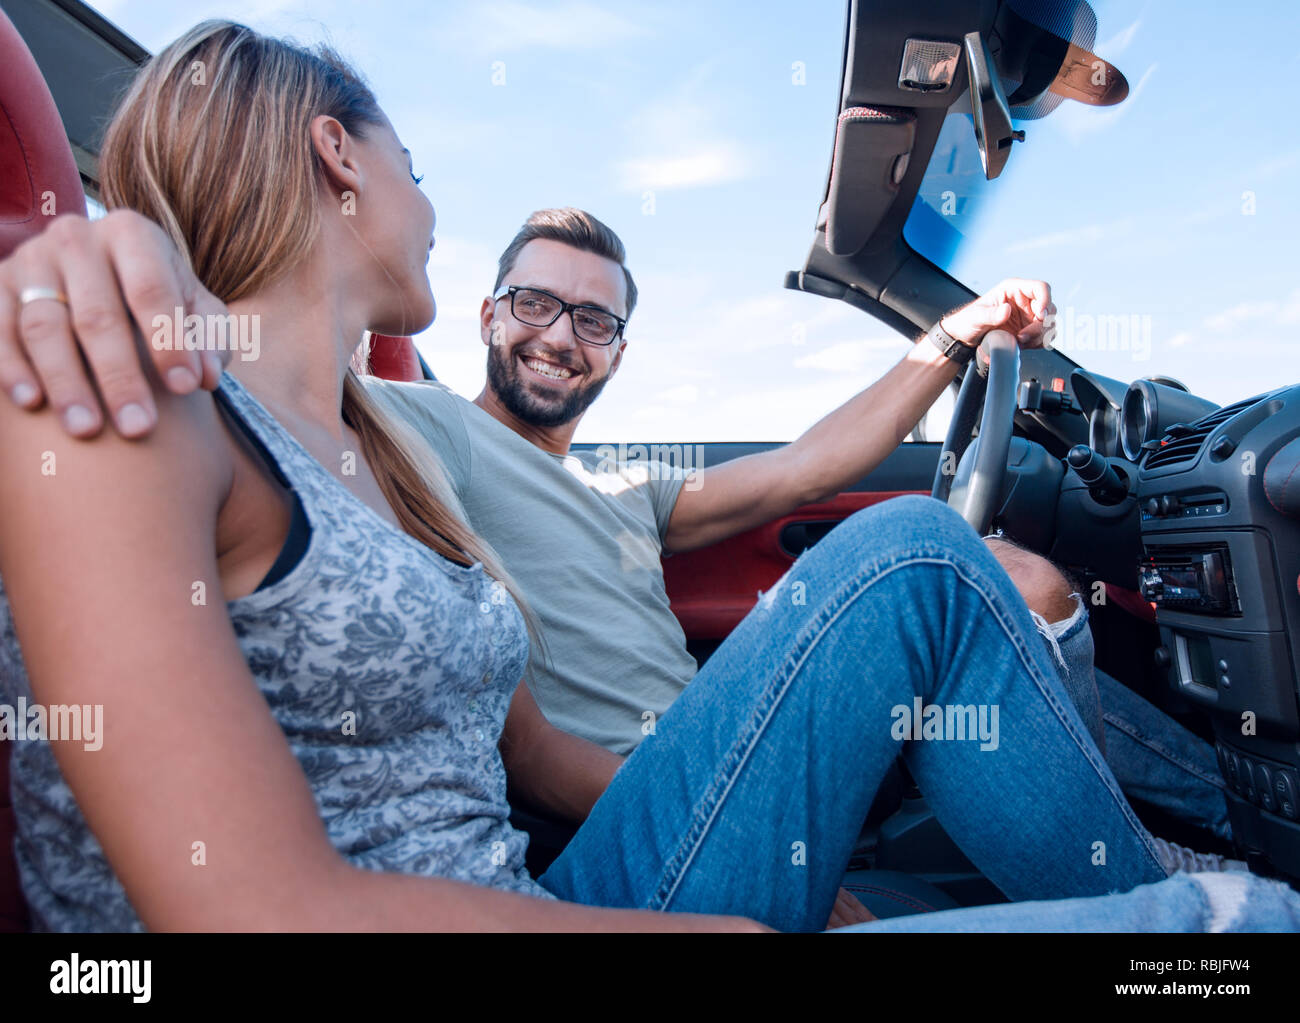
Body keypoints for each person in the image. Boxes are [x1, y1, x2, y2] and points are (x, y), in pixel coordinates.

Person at [0, 20, 1293, 933]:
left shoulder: (419, 473)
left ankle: (1195, 872)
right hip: (574, 881)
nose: (560, 336)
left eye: (597, 321)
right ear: (342, 157)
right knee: (925, 556)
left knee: (921, 552)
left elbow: (803, 469)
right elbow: (246, 903)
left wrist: (952, 342)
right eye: (530, 303)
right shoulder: (397, 421)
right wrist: (89, 248)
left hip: (641, 827)